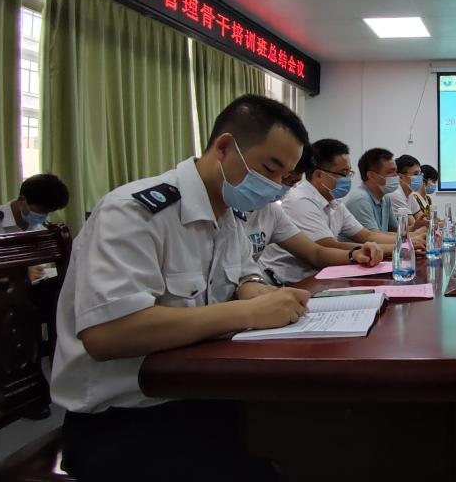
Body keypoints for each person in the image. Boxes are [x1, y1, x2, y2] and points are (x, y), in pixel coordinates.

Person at [51, 94, 315, 482]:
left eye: (285, 177)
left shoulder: (229, 216)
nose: (276, 188)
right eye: (270, 169)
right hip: (124, 418)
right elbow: (107, 335)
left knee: (313, 433)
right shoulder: (134, 212)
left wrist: (257, 291)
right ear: (224, 148)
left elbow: (245, 276)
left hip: (204, 394)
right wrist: (247, 312)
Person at [260, 140, 424, 285]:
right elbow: (326, 247)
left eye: (349, 173)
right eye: (343, 174)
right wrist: (402, 246)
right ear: (319, 175)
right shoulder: (299, 200)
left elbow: (365, 235)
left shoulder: (335, 202)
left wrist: (409, 240)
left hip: (321, 276)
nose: (348, 179)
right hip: (291, 282)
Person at [243, 145, 383, 282]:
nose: (278, 183)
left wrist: (354, 254)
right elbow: (326, 247)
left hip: (283, 284)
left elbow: (315, 253)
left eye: (292, 181)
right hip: (283, 281)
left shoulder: (272, 209)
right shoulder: (298, 200)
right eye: (271, 170)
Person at [344, 148, 427, 236]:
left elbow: (395, 230)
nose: (396, 176)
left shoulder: (385, 197)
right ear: (372, 175)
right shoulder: (360, 199)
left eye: (396, 171)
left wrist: (414, 227)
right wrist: (413, 235)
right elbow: (374, 236)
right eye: (390, 172)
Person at [0, 173, 70, 235]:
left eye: (48, 212)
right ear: (22, 199)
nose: (43, 217)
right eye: (41, 211)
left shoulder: (43, 229)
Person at [386, 154, 429, 229]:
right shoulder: (395, 194)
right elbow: (415, 225)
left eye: (420, 174)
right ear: (400, 177)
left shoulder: (410, 194)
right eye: (416, 174)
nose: (420, 177)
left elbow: (422, 219)